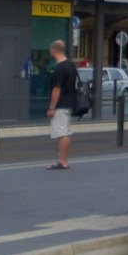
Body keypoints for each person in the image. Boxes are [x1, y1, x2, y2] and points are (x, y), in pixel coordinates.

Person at [47, 40, 77, 170]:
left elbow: (56, 89)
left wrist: (51, 107)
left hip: (61, 104)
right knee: (65, 132)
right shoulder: (71, 65)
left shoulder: (59, 68)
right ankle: (63, 160)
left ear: (54, 50)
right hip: (69, 102)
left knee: (61, 133)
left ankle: (63, 161)